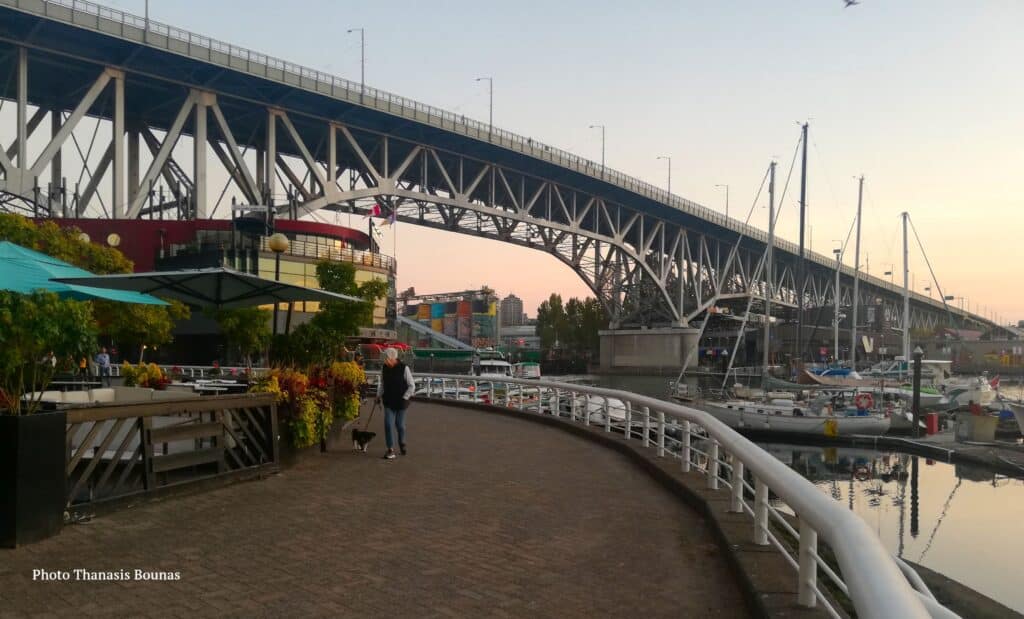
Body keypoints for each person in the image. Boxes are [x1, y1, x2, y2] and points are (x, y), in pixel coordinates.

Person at [376, 347, 414, 460]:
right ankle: (390, 449)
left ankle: (402, 443)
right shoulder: (384, 368)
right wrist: (378, 395)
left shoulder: (404, 368)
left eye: (387, 359)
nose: (385, 361)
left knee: (400, 425)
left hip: (401, 401)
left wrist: (405, 397)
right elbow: (382, 384)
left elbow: (412, 385)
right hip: (388, 400)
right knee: (388, 424)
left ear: (393, 358)